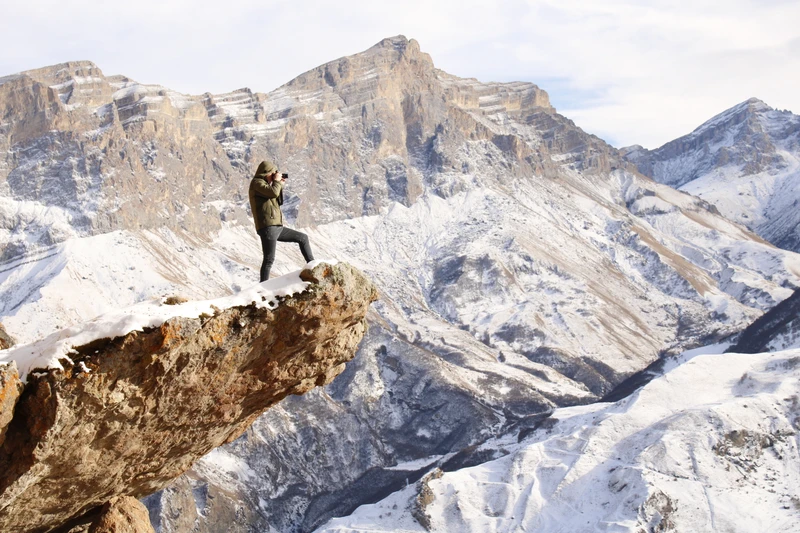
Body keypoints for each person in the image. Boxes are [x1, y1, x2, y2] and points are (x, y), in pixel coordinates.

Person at [249, 160, 314, 282]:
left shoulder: (266, 185)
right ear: (266, 172)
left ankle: (313, 266)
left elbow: (278, 200)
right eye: (273, 173)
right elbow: (273, 193)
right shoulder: (256, 183)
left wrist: (279, 184)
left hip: (276, 226)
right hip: (268, 227)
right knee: (269, 259)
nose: (275, 175)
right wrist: (276, 182)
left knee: (303, 238)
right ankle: (263, 286)